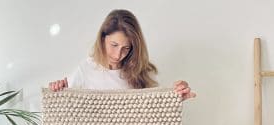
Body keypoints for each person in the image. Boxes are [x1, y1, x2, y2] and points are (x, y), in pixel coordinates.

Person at [49, 9, 196, 101]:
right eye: (114, 45)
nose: (118, 54)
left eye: (126, 48)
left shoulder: (141, 72)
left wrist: (177, 95)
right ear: (102, 38)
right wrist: (57, 87)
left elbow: (157, 109)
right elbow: (63, 102)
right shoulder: (85, 70)